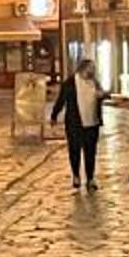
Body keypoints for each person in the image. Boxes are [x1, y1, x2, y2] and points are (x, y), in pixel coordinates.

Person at [49, 57, 106, 191]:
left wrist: (102, 96)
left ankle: (90, 178)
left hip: (92, 123)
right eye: (91, 68)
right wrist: (54, 115)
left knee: (90, 152)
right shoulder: (70, 83)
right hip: (75, 124)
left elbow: (102, 95)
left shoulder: (95, 82)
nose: (93, 71)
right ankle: (76, 175)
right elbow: (61, 100)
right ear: (83, 69)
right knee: (74, 150)